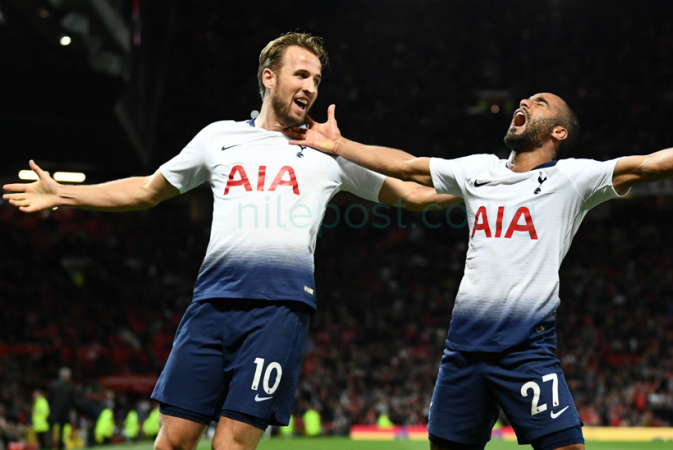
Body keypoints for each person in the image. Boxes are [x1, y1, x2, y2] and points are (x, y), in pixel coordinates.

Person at [3, 32, 458, 450]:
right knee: (171, 442)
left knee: (230, 445)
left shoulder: (328, 150)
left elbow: (413, 190)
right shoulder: (218, 138)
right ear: (269, 77)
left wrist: (481, 185)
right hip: (211, 307)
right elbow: (145, 190)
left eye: (317, 80)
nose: (311, 87)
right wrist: (64, 194)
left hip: (278, 312)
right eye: (301, 75)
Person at [284, 95, 673, 450]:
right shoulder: (477, 170)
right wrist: (341, 146)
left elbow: (649, 165)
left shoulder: (573, 179)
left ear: (558, 131)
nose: (525, 102)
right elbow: (409, 166)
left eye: (540, 102)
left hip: (525, 350)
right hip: (463, 349)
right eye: (526, 98)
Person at [48, 368, 75, 450]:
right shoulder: (69, 386)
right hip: (64, 411)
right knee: (62, 429)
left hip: (53, 410)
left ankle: (50, 443)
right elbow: (71, 400)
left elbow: (50, 398)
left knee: (51, 427)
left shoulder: (53, 385)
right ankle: (60, 445)